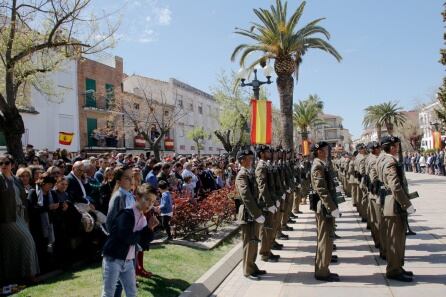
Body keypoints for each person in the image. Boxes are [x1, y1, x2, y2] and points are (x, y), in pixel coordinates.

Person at [101, 185, 156, 297]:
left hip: (128, 260)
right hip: (113, 259)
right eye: (147, 200)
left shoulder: (143, 218)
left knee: (132, 292)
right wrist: (146, 230)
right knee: (108, 293)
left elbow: (143, 242)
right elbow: (128, 238)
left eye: (153, 202)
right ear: (138, 197)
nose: (149, 204)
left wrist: (150, 229)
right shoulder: (126, 214)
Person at [378, 136, 415, 282]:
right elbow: (395, 186)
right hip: (394, 204)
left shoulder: (383, 159)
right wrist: (407, 204)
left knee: (397, 239)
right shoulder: (389, 161)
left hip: (391, 202)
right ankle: (394, 270)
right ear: (391, 147)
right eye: (396, 145)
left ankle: (397, 266)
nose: (397, 147)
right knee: (395, 240)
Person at [0, 154, 40, 285]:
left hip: (20, 214)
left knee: (14, 247)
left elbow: (23, 199)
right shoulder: (0, 179)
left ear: (12, 164)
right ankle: (30, 275)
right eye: (1, 164)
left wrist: (26, 218)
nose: (3, 166)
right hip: (7, 217)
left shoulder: (16, 179)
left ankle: (19, 276)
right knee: (27, 240)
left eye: (6, 163)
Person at [310, 142, 340, 282]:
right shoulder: (317, 165)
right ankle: (322, 271)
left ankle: (323, 268)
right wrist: (332, 207)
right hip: (323, 207)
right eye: (325, 150)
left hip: (325, 206)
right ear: (319, 151)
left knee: (326, 238)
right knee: (325, 239)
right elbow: (321, 189)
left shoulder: (321, 164)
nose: (327, 151)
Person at [234, 148, 266, 281]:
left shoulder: (249, 173)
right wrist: (257, 213)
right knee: (249, 242)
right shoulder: (242, 175)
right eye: (249, 159)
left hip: (253, 212)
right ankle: (248, 270)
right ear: (242, 161)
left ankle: (252, 265)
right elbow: (246, 196)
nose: (252, 161)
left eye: (252, 158)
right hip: (248, 213)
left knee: (254, 241)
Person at [255, 145, 279, 263]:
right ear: (261, 154)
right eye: (267, 151)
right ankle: (264, 254)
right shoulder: (261, 167)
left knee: (269, 228)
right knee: (266, 229)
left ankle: (267, 250)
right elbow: (262, 187)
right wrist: (269, 203)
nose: (270, 152)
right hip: (265, 203)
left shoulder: (266, 165)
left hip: (270, 201)